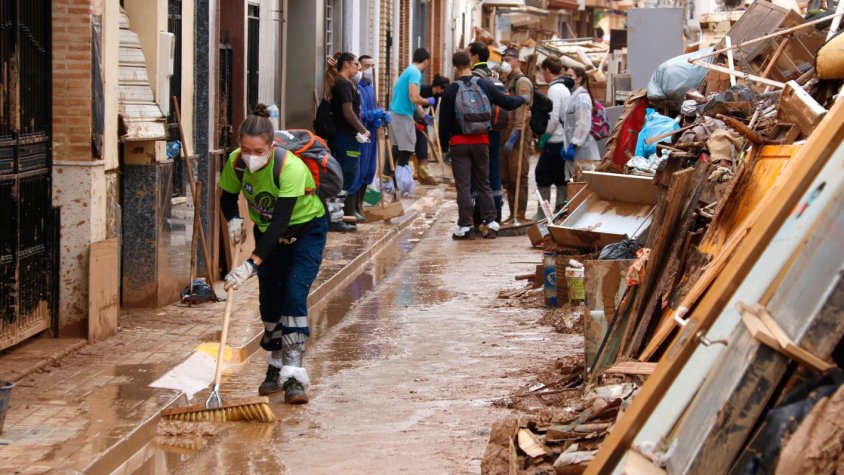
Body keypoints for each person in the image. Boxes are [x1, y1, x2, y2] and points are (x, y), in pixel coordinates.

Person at [219, 104, 328, 404]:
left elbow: (281, 220)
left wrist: (251, 263)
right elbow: (227, 196)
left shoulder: (290, 167)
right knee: (270, 302)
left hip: (305, 233)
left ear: (271, 146)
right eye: (245, 149)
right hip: (268, 234)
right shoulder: (235, 162)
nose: (250, 157)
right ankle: (276, 364)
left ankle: (294, 375)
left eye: (258, 151)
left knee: (293, 295)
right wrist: (234, 219)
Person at [439, 50, 526, 240]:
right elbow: (506, 102)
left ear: (455, 68)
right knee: (483, 182)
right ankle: (491, 223)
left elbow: (443, 123)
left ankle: (465, 226)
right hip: (482, 141)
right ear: (471, 64)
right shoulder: (484, 84)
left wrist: (445, 149)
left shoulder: (451, 90)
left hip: (459, 144)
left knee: (464, 185)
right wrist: (523, 99)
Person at [329, 52, 370, 231]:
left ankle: (338, 216)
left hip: (349, 138)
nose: (358, 69)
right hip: (345, 138)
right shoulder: (343, 85)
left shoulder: (346, 84)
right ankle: (335, 218)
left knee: (349, 174)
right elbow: (348, 112)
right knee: (345, 175)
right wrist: (363, 129)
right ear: (346, 64)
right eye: (356, 65)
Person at [468, 41, 505, 224]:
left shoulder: (474, 79)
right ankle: (496, 211)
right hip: (496, 131)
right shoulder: (496, 77)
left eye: (470, 55)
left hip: (478, 132)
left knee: (478, 172)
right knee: (494, 170)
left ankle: (479, 214)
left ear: (475, 57)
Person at [388, 48, 436, 186]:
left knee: (398, 147)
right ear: (426, 61)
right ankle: (400, 180)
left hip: (398, 112)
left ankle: (389, 179)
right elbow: (414, 97)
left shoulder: (408, 70)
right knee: (407, 147)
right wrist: (428, 101)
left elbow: (412, 101)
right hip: (402, 114)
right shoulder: (415, 73)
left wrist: (423, 115)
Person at [535, 57, 573, 217]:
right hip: (563, 139)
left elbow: (553, 116)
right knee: (560, 177)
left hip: (555, 139)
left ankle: (543, 213)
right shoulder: (564, 88)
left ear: (547, 70)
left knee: (542, 175)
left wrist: (544, 136)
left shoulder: (554, 89)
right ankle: (560, 210)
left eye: (543, 71)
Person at [501, 48, 533, 222]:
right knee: (507, 177)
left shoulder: (522, 82)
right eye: (503, 59)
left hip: (518, 135)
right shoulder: (507, 81)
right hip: (505, 133)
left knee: (519, 175)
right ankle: (512, 213)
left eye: (508, 59)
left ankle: (520, 213)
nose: (505, 63)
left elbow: (523, 110)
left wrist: (516, 133)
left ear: (517, 61)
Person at [354, 54, 384, 221]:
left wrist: (380, 115)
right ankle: (355, 206)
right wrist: (370, 115)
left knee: (369, 171)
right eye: (366, 66)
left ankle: (360, 206)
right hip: (362, 134)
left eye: (372, 66)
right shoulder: (357, 87)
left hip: (372, 134)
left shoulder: (370, 86)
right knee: (361, 170)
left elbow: (375, 106)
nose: (369, 70)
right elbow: (359, 113)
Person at [563, 66, 601, 175]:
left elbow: (583, 123)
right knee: (576, 181)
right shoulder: (573, 96)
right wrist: (565, 145)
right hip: (574, 148)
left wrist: (573, 144)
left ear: (578, 79)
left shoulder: (582, 98)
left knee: (584, 183)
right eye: (566, 75)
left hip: (583, 149)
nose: (567, 78)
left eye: (570, 76)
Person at [414, 74, 450, 186]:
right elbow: (415, 103)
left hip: (422, 122)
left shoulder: (436, 97)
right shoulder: (423, 89)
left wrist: (429, 120)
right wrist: (423, 116)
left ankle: (423, 174)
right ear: (439, 87)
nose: (443, 92)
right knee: (411, 148)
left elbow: (431, 112)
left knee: (422, 147)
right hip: (412, 120)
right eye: (443, 89)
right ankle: (415, 172)